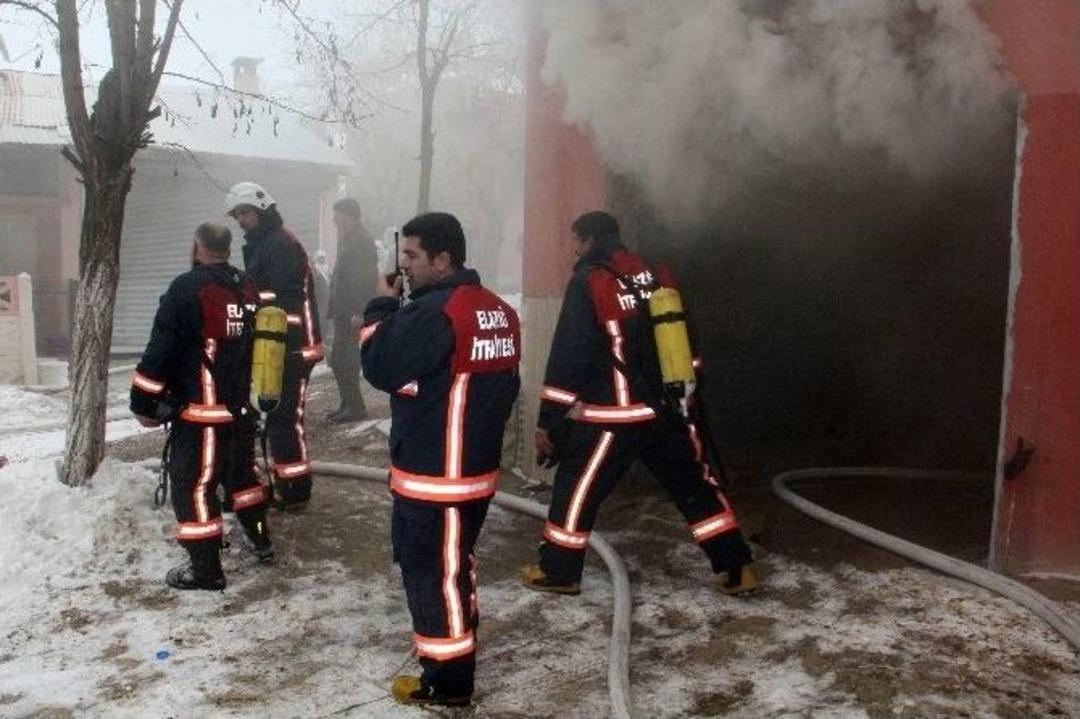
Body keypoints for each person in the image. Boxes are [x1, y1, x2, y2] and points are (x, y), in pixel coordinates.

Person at [520, 210, 758, 596]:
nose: (573, 249)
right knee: (694, 486)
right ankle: (737, 568)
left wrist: (549, 418)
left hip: (612, 417)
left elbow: (570, 355)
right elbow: (687, 338)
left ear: (590, 240)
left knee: (576, 489)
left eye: (576, 241)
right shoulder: (657, 274)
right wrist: (688, 395)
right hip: (665, 411)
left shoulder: (589, 280)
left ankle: (560, 572)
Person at [359, 212, 521, 707]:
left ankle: (448, 682)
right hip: (473, 473)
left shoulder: (434, 313)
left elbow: (379, 365)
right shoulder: (498, 310)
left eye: (412, 256)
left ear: (444, 259)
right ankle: (459, 639)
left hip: (435, 478)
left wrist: (381, 307)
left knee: (432, 575)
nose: (404, 266)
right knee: (455, 564)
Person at [130, 222, 272, 591]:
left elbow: (160, 351)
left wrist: (143, 402)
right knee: (244, 480)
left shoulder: (186, 288)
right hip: (241, 411)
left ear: (197, 246)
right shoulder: (246, 286)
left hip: (203, 416)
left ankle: (206, 571)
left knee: (193, 487)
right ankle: (261, 539)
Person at [225, 182, 323, 509]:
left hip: (292, 346)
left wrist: (251, 305)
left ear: (263, 209)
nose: (241, 220)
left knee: (284, 419)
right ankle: (286, 482)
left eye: (245, 213)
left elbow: (285, 300)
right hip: (276, 344)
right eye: (237, 215)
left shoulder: (279, 244)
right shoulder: (264, 243)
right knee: (275, 417)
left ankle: (295, 490)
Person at [326, 198, 377, 423]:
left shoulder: (362, 241)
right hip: (342, 310)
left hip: (351, 312)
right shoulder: (348, 238)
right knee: (338, 359)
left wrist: (359, 310)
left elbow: (365, 279)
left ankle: (355, 407)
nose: (334, 219)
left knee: (345, 359)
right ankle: (347, 403)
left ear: (351, 216)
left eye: (338, 214)